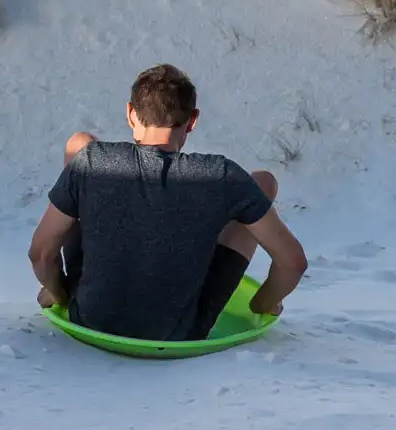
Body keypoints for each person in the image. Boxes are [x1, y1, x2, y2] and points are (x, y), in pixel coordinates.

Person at [28, 63, 308, 342]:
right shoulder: (222, 176)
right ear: (193, 120)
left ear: (130, 114)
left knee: (80, 144)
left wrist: (58, 292)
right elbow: (292, 263)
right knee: (262, 184)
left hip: (91, 319)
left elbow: (40, 253)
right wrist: (263, 306)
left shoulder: (91, 162)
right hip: (179, 333)